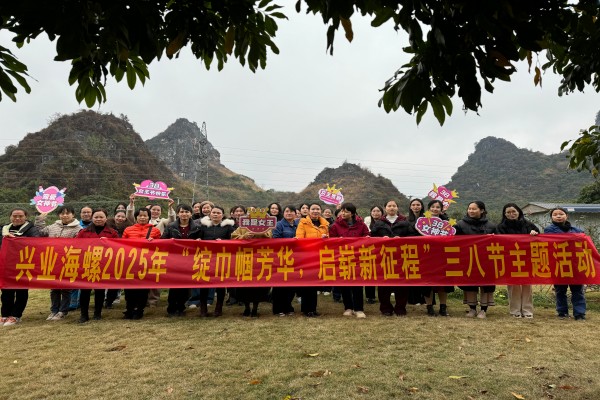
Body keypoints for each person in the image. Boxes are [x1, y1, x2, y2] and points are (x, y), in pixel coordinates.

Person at [36, 205, 83, 321]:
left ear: (73, 215)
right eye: (62, 213)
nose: (65, 215)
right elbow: (40, 232)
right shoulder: (53, 226)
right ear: (59, 215)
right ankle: (54, 310)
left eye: (68, 213)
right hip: (53, 260)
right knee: (54, 288)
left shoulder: (78, 229)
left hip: (68, 260)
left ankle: (63, 311)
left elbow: (80, 244)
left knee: (65, 288)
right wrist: (40, 219)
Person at [494, 203, 540, 319]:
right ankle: (515, 310)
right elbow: (499, 242)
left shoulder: (528, 225)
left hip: (527, 259)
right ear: (504, 214)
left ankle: (527, 310)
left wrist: (534, 234)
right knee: (513, 285)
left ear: (519, 212)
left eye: (513, 211)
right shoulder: (500, 227)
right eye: (508, 212)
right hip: (510, 259)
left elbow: (538, 237)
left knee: (527, 284)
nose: (511, 214)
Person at [76, 209, 120, 322]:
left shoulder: (112, 233)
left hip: (103, 265)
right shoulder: (83, 232)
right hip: (87, 264)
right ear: (92, 218)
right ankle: (84, 315)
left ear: (106, 218)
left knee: (99, 290)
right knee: (85, 291)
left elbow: (118, 248)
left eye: (101, 217)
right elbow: (76, 246)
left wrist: (108, 243)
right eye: (96, 217)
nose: (98, 219)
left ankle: (97, 313)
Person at [544, 207, 587, 320]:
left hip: (574, 265)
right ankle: (562, 312)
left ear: (566, 216)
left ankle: (579, 313)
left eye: (561, 214)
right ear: (551, 217)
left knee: (577, 290)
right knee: (560, 290)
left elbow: (583, 244)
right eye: (555, 214)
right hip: (558, 264)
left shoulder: (577, 230)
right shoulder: (549, 230)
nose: (558, 216)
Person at [455, 201, 496, 318]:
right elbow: (454, 240)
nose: (471, 211)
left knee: (486, 284)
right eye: (469, 209)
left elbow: (499, 243)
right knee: (469, 284)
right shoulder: (460, 225)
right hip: (468, 259)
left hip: (486, 260)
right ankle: (472, 308)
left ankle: (483, 310)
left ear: (482, 210)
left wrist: (493, 238)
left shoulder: (491, 225)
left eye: (474, 209)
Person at [0, 208, 41, 326]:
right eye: (14, 216)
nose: (17, 218)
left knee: (21, 290)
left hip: (24, 264)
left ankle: (16, 315)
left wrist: (16, 240)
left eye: (20, 216)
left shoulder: (32, 229)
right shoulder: (4, 229)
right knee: (6, 290)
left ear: (25, 217)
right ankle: (5, 314)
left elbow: (36, 243)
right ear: (10, 217)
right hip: (7, 265)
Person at [328, 202, 369, 318]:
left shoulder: (361, 225)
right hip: (343, 258)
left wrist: (366, 238)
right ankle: (348, 308)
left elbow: (367, 236)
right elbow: (331, 241)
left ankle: (359, 309)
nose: (343, 213)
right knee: (344, 283)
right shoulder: (335, 225)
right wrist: (338, 241)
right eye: (342, 211)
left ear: (352, 213)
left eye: (346, 211)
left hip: (358, 258)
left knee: (358, 284)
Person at [231, 209, 273, 317]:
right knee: (244, 285)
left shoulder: (266, 227)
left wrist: (259, 233)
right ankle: (246, 307)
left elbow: (270, 237)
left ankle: (255, 308)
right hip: (245, 258)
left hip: (260, 259)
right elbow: (233, 237)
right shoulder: (242, 227)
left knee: (258, 285)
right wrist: (243, 237)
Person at [370, 200, 409, 316]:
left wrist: (402, 239)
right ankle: (385, 308)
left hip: (401, 257)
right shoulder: (379, 223)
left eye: (394, 206)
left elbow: (412, 236)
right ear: (385, 208)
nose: (392, 208)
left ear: (397, 208)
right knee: (383, 284)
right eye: (389, 206)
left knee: (401, 283)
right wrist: (381, 239)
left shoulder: (405, 222)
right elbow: (372, 238)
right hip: (383, 257)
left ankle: (400, 308)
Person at [162, 204, 201, 317]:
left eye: (187, 212)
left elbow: (203, 240)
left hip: (190, 260)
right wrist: (169, 241)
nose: (184, 214)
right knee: (174, 285)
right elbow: (162, 240)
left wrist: (199, 240)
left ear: (191, 214)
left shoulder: (197, 227)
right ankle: (171, 308)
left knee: (185, 285)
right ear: (178, 213)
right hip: (174, 260)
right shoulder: (171, 226)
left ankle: (181, 307)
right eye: (182, 212)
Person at [196, 206, 237, 317]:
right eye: (213, 212)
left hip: (222, 259)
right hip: (206, 259)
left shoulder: (228, 227)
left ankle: (218, 308)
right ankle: (203, 309)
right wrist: (198, 240)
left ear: (222, 215)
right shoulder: (203, 226)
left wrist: (223, 241)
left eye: (218, 213)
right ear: (210, 214)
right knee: (204, 283)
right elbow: (197, 238)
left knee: (220, 284)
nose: (215, 214)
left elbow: (234, 241)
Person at [121, 208, 161, 319]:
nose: (142, 217)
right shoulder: (128, 230)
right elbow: (121, 244)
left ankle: (139, 310)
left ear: (149, 217)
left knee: (143, 288)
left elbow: (160, 247)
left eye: (145, 215)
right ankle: (129, 309)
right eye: (140, 215)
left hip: (146, 263)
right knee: (129, 288)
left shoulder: (155, 230)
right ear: (136, 217)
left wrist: (154, 242)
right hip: (130, 262)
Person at [420, 200, 455, 316]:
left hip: (442, 256)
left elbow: (453, 237)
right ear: (429, 208)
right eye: (433, 207)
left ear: (441, 209)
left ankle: (443, 307)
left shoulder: (447, 223)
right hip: (426, 256)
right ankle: (429, 307)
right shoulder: (422, 222)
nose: (435, 209)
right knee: (428, 283)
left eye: (437, 207)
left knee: (443, 283)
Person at [295, 202, 329, 317]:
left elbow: (329, 240)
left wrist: (325, 238)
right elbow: (299, 238)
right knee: (306, 284)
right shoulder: (302, 222)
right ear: (309, 211)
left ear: (321, 211)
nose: (315, 211)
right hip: (306, 257)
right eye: (313, 209)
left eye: (317, 209)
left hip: (319, 257)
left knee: (314, 284)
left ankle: (313, 309)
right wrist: (318, 240)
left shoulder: (324, 224)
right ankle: (306, 309)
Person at [272, 205, 299, 316]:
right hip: (281, 257)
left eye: (292, 211)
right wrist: (291, 241)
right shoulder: (279, 224)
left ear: (295, 214)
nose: (289, 213)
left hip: (294, 258)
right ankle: (278, 308)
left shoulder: (299, 224)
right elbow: (275, 239)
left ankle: (288, 306)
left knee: (291, 284)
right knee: (280, 284)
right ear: (283, 213)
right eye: (287, 211)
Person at [363, 205, 383, 303]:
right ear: (371, 213)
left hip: (382, 251)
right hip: (369, 252)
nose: (376, 213)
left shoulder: (385, 223)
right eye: (374, 211)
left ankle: (382, 296)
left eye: (378, 211)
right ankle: (370, 296)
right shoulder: (366, 223)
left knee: (381, 274)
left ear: (382, 213)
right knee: (370, 274)